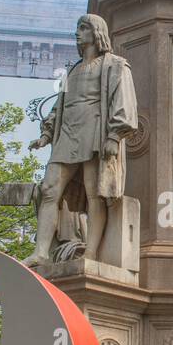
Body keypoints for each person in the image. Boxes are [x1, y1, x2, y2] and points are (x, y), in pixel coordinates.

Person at [25, 14, 137, 265]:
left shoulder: (116, 65)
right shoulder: (71, 71)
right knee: (49, 189)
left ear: (97, 32)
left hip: (95, 132)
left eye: (83, 28)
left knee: (94, 192)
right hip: (67, 135)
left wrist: (114, 135)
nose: (77, 33)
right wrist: (45, 134)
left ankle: (91, 253)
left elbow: (124, 102)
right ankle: (41, 253)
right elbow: (58, 106)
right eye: (77, 28)